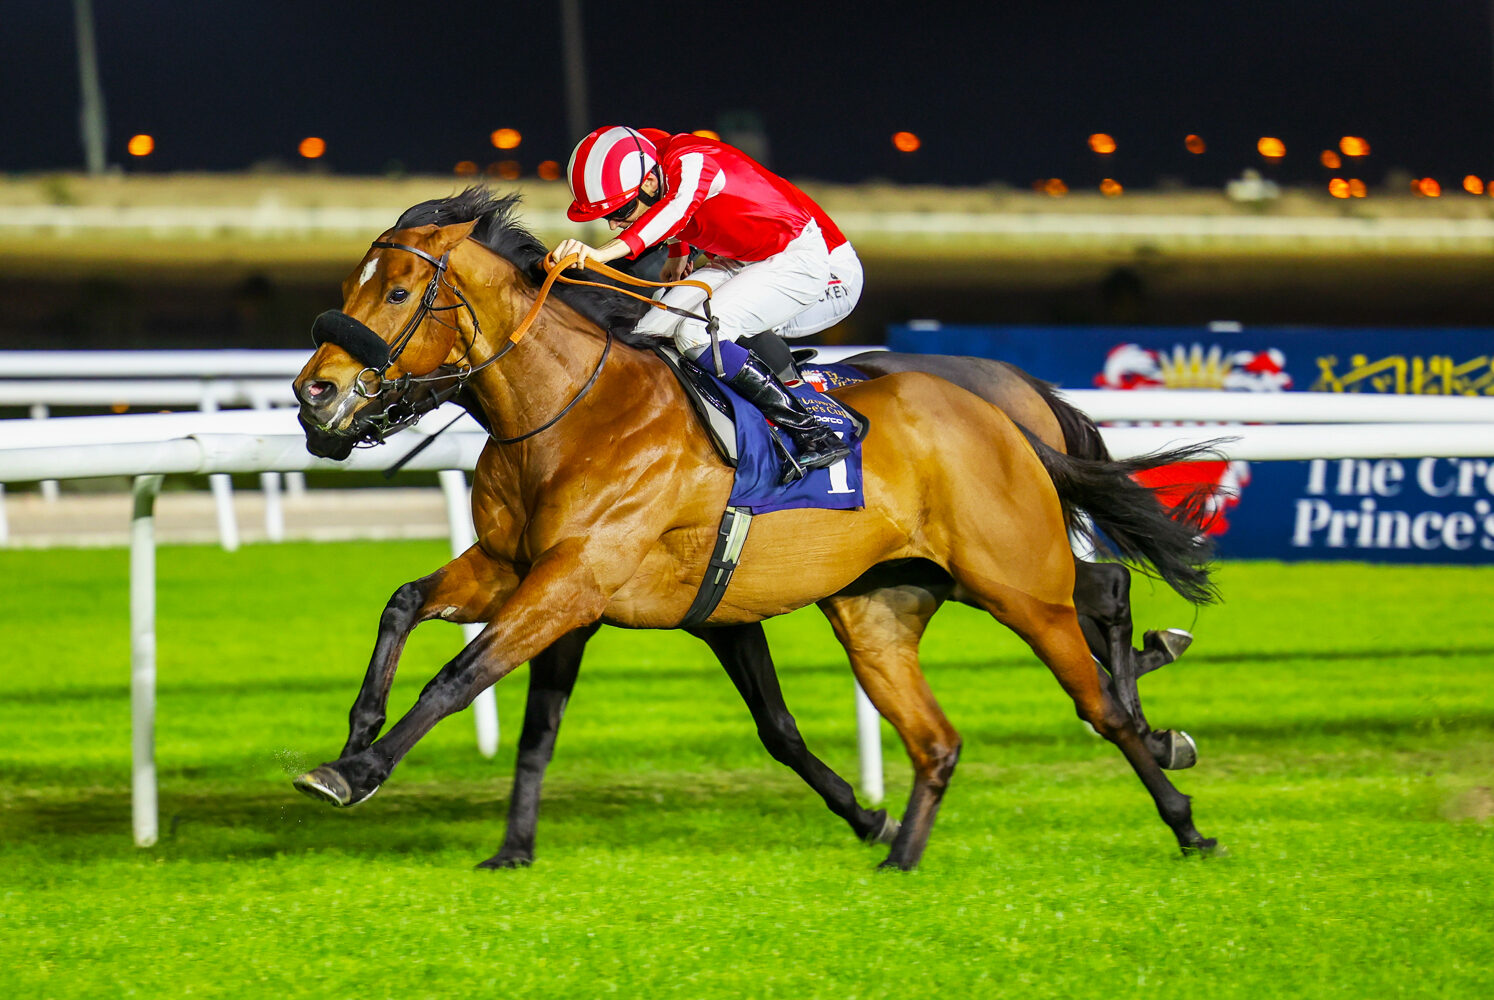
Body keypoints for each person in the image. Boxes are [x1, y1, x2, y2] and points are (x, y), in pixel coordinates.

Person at [548, 125, 864, 480]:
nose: (613, 224)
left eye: (620, 211)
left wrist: (598, 254)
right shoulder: (653, 158)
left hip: (803, 263)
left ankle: (811, 433)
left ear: (649, 183)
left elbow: (674, 209)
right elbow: (674, 211)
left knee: (698, 333)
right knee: (647, 335)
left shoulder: (695, 162)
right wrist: (678, 251)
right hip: (744, 258)